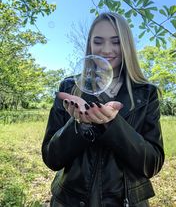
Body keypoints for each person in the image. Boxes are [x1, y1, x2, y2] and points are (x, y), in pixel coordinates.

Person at [41, 12, 165, 207]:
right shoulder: (69, 87)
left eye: (115, 42)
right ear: (90, 44)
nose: (107, 50)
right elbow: (51, 158)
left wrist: (112, 124)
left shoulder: (146, 93)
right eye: (98, 41)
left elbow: (152, 164)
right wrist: (79, 126)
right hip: (70, 201)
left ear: (126, 45)